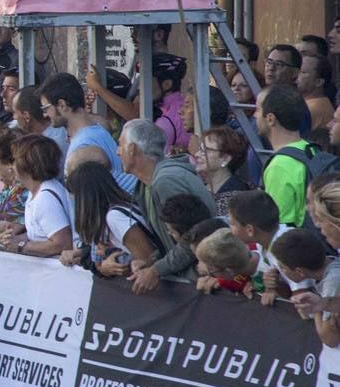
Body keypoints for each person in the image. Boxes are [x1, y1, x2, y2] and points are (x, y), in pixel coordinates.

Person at [119, 120, 214, 294]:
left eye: (120, 145)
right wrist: (151, 261)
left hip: (200, 283)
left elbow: (192, 239)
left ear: (132, 149)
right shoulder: (148, 184)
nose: (117, 152)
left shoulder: (166, 181)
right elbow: (170, 241)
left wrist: (156, 270)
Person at [38, 73, 138, 192]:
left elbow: (92, 201)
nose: (44, 114)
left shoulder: (83, 145)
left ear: (62, 105)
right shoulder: (96, 131)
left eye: (46, 108)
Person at [59, 161, 160, 275]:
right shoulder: (108, 217)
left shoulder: (115, 217)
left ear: (85, 197)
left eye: (76, 197)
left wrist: (113, 259)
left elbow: (147, 260)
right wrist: (106, 264)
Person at [0, 134, 74, 260]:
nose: (11, 166)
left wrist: (21, 245)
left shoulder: (45, 199)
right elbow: (43, 234)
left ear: (25, 164)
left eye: (13, 160)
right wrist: (16, 239)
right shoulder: (37, 193)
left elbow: (63, 243)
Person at [256, 85, 314, 227]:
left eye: (257, 109)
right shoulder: (311, 150)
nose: (254, 115)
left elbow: (279, 228)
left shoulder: (280, 165)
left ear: (270, 119)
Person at [272, 229, 340, 348]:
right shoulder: (323, 268)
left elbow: (330, 339)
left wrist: (314, 307)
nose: (281, 271)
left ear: (299, 271)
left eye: (282, 267)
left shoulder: (333, 281)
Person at [225, 190, 291, 306]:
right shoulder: (263, 245)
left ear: (250, 230)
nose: (230, 230)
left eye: (232, 224)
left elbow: (304, 294)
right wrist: (268, 286)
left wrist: (275, 288)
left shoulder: (286, 248)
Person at [191, 125, 251, 214]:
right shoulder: (201, 186)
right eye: (200, 149)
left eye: (206, 150)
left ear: (225, 158)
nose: (197, 154)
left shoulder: (234, 199)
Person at [297, 53, 334, 130]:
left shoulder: (311, 109)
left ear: (319, 82)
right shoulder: (315, 103)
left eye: (303, 72)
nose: (296, 75)